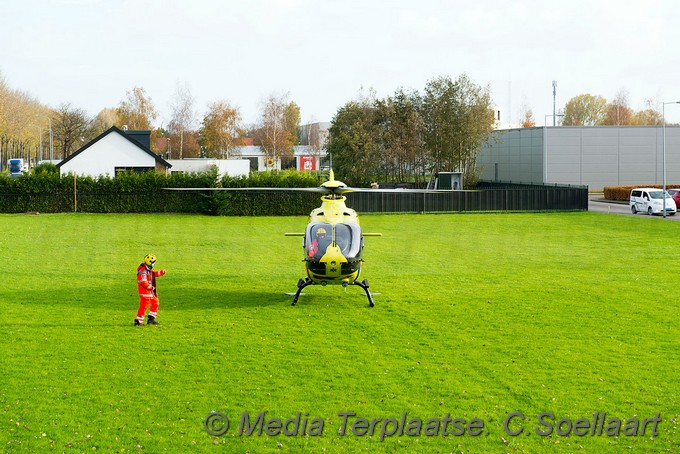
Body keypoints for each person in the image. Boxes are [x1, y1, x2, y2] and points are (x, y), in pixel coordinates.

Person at [134, 254, 167, 326]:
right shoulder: (143, 270)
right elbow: (142, 281)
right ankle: (138, 321)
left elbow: (152, 274)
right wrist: (150, 287)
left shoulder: (147, 269)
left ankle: (151, 319)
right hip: (145, 292)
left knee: (155, 302)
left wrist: (160, 272)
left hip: (149, 292)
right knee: (144, 306)